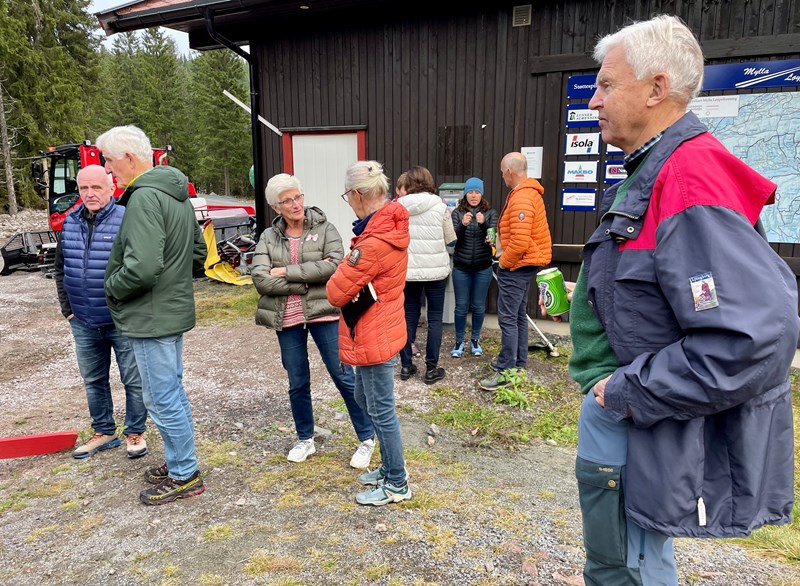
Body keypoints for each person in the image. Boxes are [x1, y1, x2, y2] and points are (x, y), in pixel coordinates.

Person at [541, 15, 799, 585]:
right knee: (623, 560)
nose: (593, 103)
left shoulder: (688, 178)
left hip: (636, 412)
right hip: (629, 413)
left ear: (657, 89)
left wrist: (627, 390)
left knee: (625, 569)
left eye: (606, 86)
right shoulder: (655, 168)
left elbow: (752, 335)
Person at [97, 125, 207, 506]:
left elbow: (142, 268)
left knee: (162, 398)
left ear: (129, 157)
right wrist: (173, 282)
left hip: (150, 315)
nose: (107, 168)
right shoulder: (176, 195)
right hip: (168, 310)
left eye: (108, 160)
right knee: (170, 391)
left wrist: (112, 286)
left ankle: (184, 474)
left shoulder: (144, 198)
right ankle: (180, 462)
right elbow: (197, 255)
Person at [251, 173, 376, 468]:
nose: (296, 204)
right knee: (297, 381)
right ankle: (305, 438)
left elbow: (334, 265)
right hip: (287, 316)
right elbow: (260, 278)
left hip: (325, 312)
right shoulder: (268, 237)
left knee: (343, 376)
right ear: (276, 207)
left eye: (298, 197)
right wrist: (305, 282)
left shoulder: (325, 228)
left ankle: (367, 437)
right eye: (287, 201)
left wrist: (285, 272)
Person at [326, 160, 412, 506]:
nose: (348, 201)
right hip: (378, 328)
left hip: (375, 333)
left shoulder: (374, 242)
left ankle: (397, 482)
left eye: (348, 196)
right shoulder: (384, 227)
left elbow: (335, 292)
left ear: (359, 194)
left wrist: (344, 267)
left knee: (380, 410)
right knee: (365, 401)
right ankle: (389, 467)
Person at [53, 165, 148, 460]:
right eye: (84, 189)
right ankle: (104, 431)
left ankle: (135, 431)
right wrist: (68, 310)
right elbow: (59, 269)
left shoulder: (127, 220)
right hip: (82, 320)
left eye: (96, 188)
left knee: (133, 380)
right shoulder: (69, 222)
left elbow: (141, 268)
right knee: (93, 380)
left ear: (111, 189)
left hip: (121, 321)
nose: (90, 194)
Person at [479, 153, 551, 391]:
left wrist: (504, 262)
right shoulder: (529, 193)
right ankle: (517, 364)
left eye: (502, 172)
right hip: (525, 263)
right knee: (518, 315)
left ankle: (506, 371)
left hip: (517, 264)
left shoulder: (521, 197)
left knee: (508, 318)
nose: (502, 176)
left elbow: (519, 243)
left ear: (510, 171)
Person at [395, 166, 457, 384]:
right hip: (436, 272)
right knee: (434, 319)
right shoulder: (440, 206)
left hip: (407, 271)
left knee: (408, 316)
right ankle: (431, 369)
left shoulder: (397, 207)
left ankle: (406, 366)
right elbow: (451, 239)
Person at [449, 177, 498, 358]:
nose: (474, 195)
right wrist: (462, 225)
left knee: (478, 306)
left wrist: (484, 223)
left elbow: (492, 240)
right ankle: (459, 340)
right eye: (470, 192)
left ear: (481, 193)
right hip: (461, 268)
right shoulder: (457, 213)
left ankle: (475, 339)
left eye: (477, 192)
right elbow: (453, 238)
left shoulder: (490, 213)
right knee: (461, 307)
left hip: (483, 267)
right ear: (465, 194)